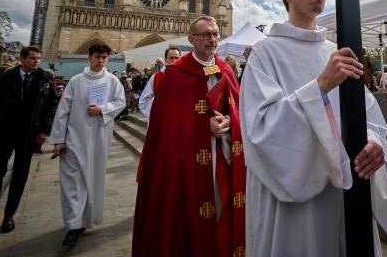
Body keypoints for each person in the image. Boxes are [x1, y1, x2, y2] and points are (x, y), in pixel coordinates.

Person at [240, 0, 387, 256]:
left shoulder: (335, 52)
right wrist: (320, 86)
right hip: (294, 198)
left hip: (345, 188)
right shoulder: (265, 53)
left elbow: (368, 115)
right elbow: (259, 128)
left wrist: (374, 142)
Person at [132, 17, 244, 256]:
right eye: (205, 35)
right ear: (191, 39)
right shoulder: (175, 73)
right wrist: (203, 127)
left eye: (215, 34)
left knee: (220, 210)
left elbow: (239, 109)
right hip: (187, 163)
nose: (212, 40)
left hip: (222, 155)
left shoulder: (226, 69)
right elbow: (166, 123)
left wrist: (228, 121)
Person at [0, 46, 58, 241]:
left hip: (28, 135)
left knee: (20, 177)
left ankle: (9, 215)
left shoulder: (45, 79)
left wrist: (45, 130)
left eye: (38, 58)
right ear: (21, 59)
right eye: (32, 58)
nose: (36, 61)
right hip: (3, 134)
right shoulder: (6, 77)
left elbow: (52, 105)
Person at [48, 43, 126, 248]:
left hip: (100, 138)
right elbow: (63, 111)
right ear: (89, 58)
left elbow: (121, 102)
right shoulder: (76, 81)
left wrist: (101, 109)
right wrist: (58, 140)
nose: (101, 61)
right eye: (97, 57)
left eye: (104, 58)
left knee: (93, 180)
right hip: (75, 138)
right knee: (72, 182)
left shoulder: (113, 81)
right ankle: (73, 226)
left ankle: (86, 219)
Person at [138, 46, 181, 118]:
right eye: (171, 58)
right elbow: (144, 101)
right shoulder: (156, 77)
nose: (174, 60)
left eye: (176, 58)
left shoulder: (187, 77)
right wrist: (160, 104)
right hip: (161, 118)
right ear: (166, 60)